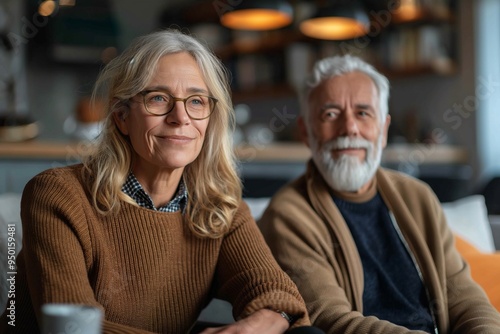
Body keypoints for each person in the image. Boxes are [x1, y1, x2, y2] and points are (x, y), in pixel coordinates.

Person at [0, 29, 313, 333]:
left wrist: (256, 325)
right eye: (159, 98)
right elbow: (74, 328)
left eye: (196, 101)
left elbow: (281, 300)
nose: (180, 117)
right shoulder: (58, 195)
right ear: (122, 117)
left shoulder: (221, 210)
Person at [258, 54, 500, 333]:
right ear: (305, 131)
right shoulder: (287, 214)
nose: (349, 128)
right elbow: (329, 318)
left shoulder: (418, 197)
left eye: (363, 113)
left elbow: (465, 297)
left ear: (383, 131)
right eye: (330, 114)